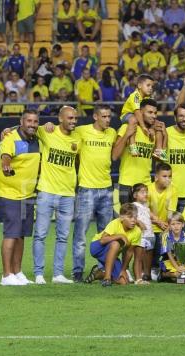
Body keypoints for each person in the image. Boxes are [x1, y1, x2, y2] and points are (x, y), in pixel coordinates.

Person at [32, 106, 79, 284]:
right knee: (41, 234)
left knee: (63, 236)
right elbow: (26, 127)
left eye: (75, 118)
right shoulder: (47, 131)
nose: (73, 121)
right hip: (47, 191)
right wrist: (8, 130)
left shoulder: (78, 137)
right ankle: (38, 274)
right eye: (70, 118)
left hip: (68, 194)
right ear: (60, 118)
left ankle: (58, 274)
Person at [70, 105, 117, 282]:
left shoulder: (112, 133)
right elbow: (59, 130)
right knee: (80, 235)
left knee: (105, 234)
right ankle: (77, 272)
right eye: (104, 116)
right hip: (86, 189)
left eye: (109, 116)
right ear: (95, 117)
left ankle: (104, 270)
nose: (107, 119)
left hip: (106, 189)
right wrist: (9, 129)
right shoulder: (81, 131)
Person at [0, 110, 41, 286]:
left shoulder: (38, 138)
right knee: (11, 233)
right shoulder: (10, 137)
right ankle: (6, 275)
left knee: (21, 234)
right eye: (28, 121)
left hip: (27, 194)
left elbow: (44, 128)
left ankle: (17, 271)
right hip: (9, 193)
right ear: (21, 121)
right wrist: (6, 165)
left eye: (35, 121)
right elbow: (5, 156)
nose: (32, 124)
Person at [113, 98, 164, 205]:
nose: (154, 116)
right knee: (127, 221)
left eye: (155, 113)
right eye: (150, 112)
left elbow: (160, 158)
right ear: (140, 113)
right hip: (127, 184)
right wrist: (127, 134)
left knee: (144, 220)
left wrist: (164, 135)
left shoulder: (154, 132)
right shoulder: (127, 127)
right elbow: (114, 156)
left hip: (145, 185)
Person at [85, 203, 142, 287]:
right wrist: (120, 236)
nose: (134, 220)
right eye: (130, 217)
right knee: (115, 243)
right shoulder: (115, 223)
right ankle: (107, 278)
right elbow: (102, 240)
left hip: (112, 254)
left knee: (123, 282)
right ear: (122, 218)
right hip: (97, 247)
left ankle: (98, 274)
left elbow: (129, 253)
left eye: (135, 217)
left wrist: (123, 270)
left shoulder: (137, 231)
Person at [165, 104, 185, 212]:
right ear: (175, 118)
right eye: (181, 116)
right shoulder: (166, 133)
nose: (184, 119)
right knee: (167, 227)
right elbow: (157, 158)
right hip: (168, 192)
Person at [147, 162, 176, 276]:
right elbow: (145, 210)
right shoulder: (148, 189)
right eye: (164, 176)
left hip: (164, 227)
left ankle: (158, 267)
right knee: (149, 243)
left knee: (166, 241)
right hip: (149, 227)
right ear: (156, 177)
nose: (167, 179)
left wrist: (168, 226)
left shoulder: (173, 190)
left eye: (169, 176)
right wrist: (158, 221)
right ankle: (147, 268)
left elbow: (171, 213)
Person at [159, 213, 185, 282]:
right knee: (176, 275)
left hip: (182, 262)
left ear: (183, 224)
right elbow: (169, 254)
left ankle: (180, 274)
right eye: (173, 224)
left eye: (178, 223)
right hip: (168, 260)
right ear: (169, 226)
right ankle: (164, 274)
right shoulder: (166, 236)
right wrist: (178, 268)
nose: (176, 226)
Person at [131, 183, 156, 283]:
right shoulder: (133, 206)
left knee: (149, 257)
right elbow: (128, 216)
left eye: (146, 192)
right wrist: (138, 222)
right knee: (139, 256)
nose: (145, 194)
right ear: (135, 195)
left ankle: (147, 275)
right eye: (142, 192)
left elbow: (154, 218)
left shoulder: (146, 207)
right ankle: (138, 275)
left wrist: (162, 223)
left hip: (150, 235)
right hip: (141, 236)